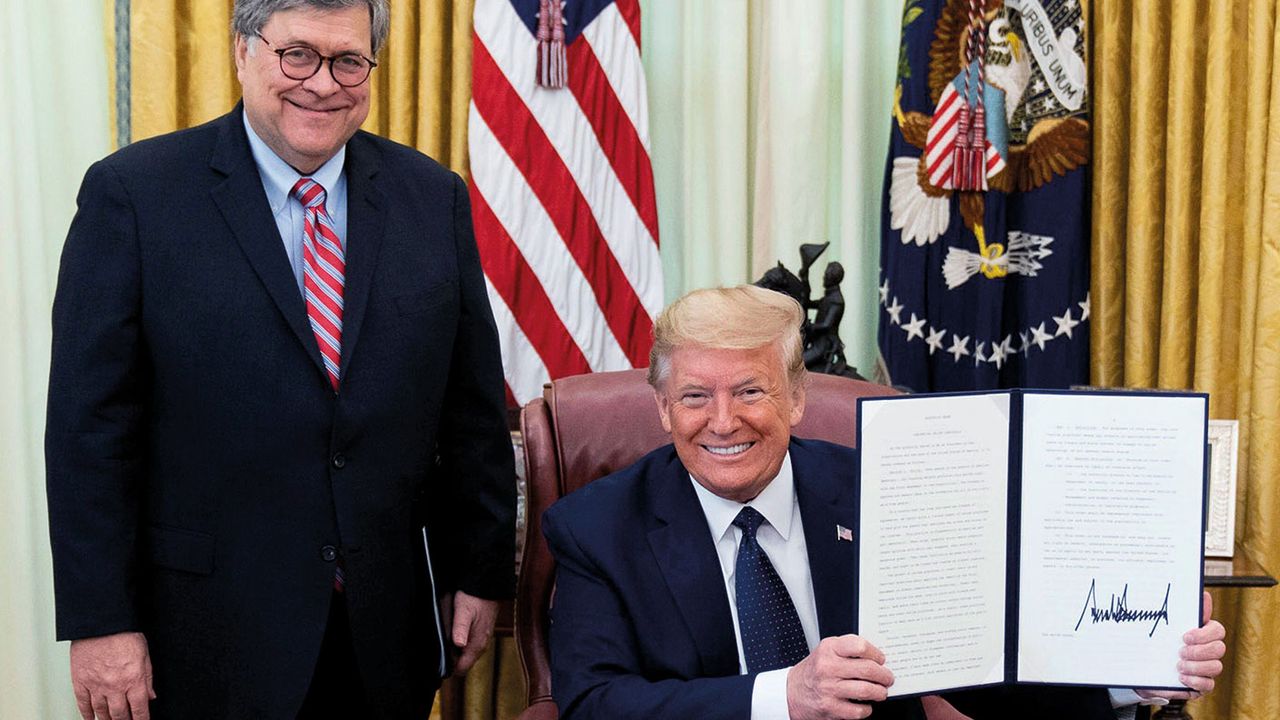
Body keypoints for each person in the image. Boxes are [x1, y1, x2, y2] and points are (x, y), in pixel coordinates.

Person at [44, 1, 515, 718]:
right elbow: (88, 433)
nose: (323, 83)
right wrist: (101, 621)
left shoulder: (432, 197)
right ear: (242, 51)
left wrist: (479, 572)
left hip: (385, 634)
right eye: (298, 54)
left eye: (348, 60)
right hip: (202, 640)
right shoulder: (135, 196)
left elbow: (471, 408)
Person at [542, 285, 1225, 720]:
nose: (723, 422)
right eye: (695, 396)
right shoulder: (596, 528)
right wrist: (787, 695)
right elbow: (595, 701)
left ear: (797, 398)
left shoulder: (887, 490)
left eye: (750, 391)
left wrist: (1130, 674)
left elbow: (982, 664)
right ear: (662, 408)